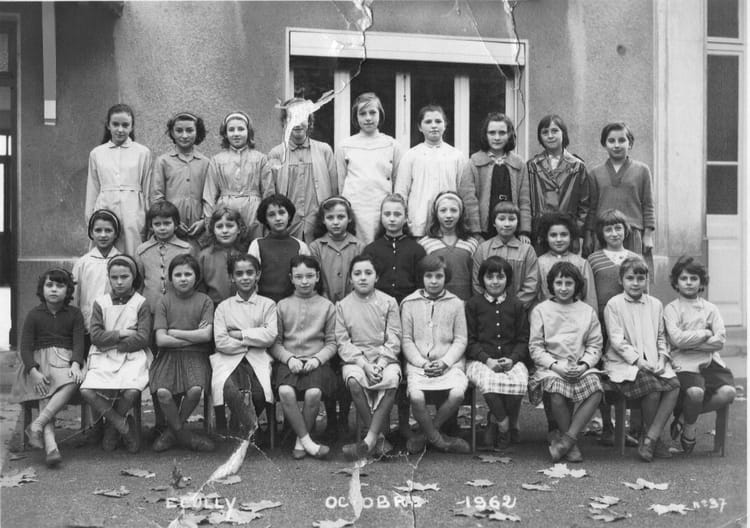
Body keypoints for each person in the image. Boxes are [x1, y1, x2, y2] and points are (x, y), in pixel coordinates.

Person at [603, 256, 680, 462]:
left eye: (640, 278)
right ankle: (653, 439)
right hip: (625, 363)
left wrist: (663, 358)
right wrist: (638, 361)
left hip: (653, 361)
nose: (635, 283)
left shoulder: (655, 304)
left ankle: (651, 438)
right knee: (652, 389)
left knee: (674, 385)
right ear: (621, 280)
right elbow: (617, 341)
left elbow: (661, 337)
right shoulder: (614, 304)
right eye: (630, 278)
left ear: (647, 280)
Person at [528, 262, 603, 463]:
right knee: (557, 393)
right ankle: (572, 444)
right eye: (558, 283)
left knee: (596, 389)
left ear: (576, 285)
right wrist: (556, 366)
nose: (563, 288)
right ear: (551, 285)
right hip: (552, 366)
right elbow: (536, 347)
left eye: (568, 283)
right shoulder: (541, 310)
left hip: (579, 365)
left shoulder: (587, 311)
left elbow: (595, 345)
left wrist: (584, 365)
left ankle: (567, 440)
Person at [12, 268, 85, 466]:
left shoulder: (74, 314)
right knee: (45, 389)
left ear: (68, 290)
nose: (54, 289)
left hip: (65, 362)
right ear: (42, 289)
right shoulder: (34, 315)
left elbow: (79, 343)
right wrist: (33, 371)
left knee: (74, 380)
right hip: (39, 364)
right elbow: (25, 347)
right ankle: (51, 447)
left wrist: (76, 364)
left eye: (60, 286)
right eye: (49, 285)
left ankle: (37, 424)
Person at [80, 255, 151, 454]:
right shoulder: (100, 303)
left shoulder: (141, 303)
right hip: (103, 356)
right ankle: (122, 424)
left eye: (124, 277)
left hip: (131, 355)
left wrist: (114, 344)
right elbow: (95, 336)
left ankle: (111, 429)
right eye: (114, 277)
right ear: (109, 278)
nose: (119, 282)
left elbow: (142, 338)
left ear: (133, 277)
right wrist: (122, 333)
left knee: (131, 391)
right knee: (87, 390)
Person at [664, 257, 735, 455]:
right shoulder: (671, 309)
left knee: (729, 392)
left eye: (693, 278)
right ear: (676, 282)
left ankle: (684, 419)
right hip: (685, 364)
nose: (688, 282)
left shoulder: (710, 309)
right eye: (684, 278)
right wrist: (705, 333)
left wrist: (689, 344)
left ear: (701, 282)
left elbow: (720, 341)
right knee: (695, 393)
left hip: (711, 363)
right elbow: (677, 340)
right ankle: (690, 428)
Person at [401, 255, 471, 454]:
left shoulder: (456, 303)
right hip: (419, 364)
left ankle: (425, 436)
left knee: (457, 393)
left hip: (449, 364)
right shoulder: (409, 303)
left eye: (439, 276)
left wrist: (445, 362)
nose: (433, 281)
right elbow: (406, 340)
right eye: (429, 276)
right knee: (416, 396)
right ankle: (440, 441)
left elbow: (461, 339)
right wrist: (421, 363)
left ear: (445, 277)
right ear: (421, 277)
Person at [270, 255, 337, 459]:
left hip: (317, 362)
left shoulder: (327, 306)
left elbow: (332, 343)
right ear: (291, 278)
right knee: (285, 391)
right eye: (299, 277)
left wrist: (317, 360)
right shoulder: (282, 305)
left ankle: (301, 441)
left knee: (313, 393)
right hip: (289, 360)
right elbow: (275, 343)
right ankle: (308, 441)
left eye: (309, 276)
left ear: (317, 277)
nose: (304, 281)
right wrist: (289, 359)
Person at [336, 254, 401, 459]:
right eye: (357, 273)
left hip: (385, 358)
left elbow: (394, 337)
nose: (363, 278)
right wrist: (364, 365)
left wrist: (380, 364)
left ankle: (369, 439)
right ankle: (378, 439)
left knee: (392, 380)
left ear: (376, 277)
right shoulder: (342, 305)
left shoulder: (389, 302)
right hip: (357, 359)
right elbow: (343, 342)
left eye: (368, 273)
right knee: (354, 381)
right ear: (350, 279)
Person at [150, 254, 215, 452]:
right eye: (178, 275)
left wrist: (175, 332)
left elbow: (206, 336)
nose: (183, 278)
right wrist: (193, 335)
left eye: (188, 274)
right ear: (171, 278)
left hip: (196, 355)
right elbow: (161, 340)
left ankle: (171, 433)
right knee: (163, 393)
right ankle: (183, 435)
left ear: (197, 277)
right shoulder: (164, 301)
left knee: (195, 389)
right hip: (167, 356)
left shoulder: (205, 301)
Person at [587, 209, 641, 445]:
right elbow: (590, 292)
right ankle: (606, 426)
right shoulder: (594, 259)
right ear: (601, 233)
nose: (614, 233)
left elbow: (644, 291)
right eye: (608, 229)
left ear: (625, 230)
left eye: (618, 228)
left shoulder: (635, 258)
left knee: (628, 369)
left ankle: (630, 426)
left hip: (628, 323)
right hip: (602, 322)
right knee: (603, 372)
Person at [465, 256, 529, 449]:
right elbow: (470, 341)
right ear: (482, 279)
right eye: (490, 277)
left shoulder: (516, 305)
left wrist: (513, 359)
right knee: (489, 383)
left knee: (519, 382)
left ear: (507, 279)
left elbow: (523, 340)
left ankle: (493, 420)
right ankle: (503, 423)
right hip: (481, 360)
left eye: (500, 277)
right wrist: (487, 360)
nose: (495, 281)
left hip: (510, 359)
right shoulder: (473, 305)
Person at [211, 254, 277, 439]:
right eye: (239, 274)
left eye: (250, 273)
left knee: (260, 393)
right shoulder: (224, 307)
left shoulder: (267, 305)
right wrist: (253, 340)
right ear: (232, 277)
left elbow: (270, 335)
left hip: (258, 358)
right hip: (229, 358)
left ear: (258, 275)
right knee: (227, 388)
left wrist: (239, 334)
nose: (245, 277)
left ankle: (243, 426)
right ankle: (251, 428)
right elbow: (221, 342)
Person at [394, 104, 479, 237]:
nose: (434, 126)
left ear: (445, 125)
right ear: (420, 127)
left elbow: (464, 193)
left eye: (438, 121)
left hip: (448, 225)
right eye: (428, 122)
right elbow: (401, 192)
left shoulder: (456, 156)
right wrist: (403, 220)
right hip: (418, 223)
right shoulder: (411, 156)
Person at [336, 92, 404, 244]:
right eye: (362, 113)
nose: (368, 118)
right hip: (355, 209)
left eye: (372, 112)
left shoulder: (392, 145)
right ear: (356, 117)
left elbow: (397, 181)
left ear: (380, 114)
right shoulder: (345, 145)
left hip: (381, 209)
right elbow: (341, 182)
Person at [85, 103, 152, 256]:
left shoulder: (142, 153)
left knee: (134, 253)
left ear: (132, 126)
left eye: (125, 125)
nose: (120, 130)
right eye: (115, 124)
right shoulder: (97, 153)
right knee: (106, 254)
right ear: (108, 125)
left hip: (133, 210)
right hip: (105, 206)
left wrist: (148, 218)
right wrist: (91, 219)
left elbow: (147, 188)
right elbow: (93, 188)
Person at [268, 97, 337, 243]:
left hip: (318, 222)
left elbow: (334, 189)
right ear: (284, 123)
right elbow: (271, 193)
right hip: (289, 224)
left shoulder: (324, 150)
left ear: (309, 122)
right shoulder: (276, 154)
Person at [526, 114, 594, 255]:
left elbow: (584, 205)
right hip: (540, 232)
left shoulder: (577, 166)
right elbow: (526, 200)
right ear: (540, 137)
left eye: (555, 131)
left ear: (563, 133)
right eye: (545, 132)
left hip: (567, 232)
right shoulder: (532, 166)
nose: (550, 136)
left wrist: (577, 233)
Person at [203, 111, 274, 239]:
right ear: (225, 134)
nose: (236, 134)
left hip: (254, 211)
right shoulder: (217, 160)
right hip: (226, 210)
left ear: (248, 131)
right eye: (231, 130)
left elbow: (268, 192)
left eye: (241, 129)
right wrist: (208, 220)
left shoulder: (261, 159)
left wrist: (268, 218)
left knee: (254, 245)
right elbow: (209, 193)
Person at [589, 122, 655, 254]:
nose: (616, 145)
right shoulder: (595, 173)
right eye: (611, 141)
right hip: (604, 233)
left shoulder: (642, 170)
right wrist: (588, 236)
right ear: (604, 144)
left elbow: (648, 205)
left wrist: (648, 235)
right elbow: (591, 208)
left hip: (633, 233)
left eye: (622, 140)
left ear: (630, 144)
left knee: (633, 266)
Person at [464, 112, 531, 241]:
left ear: (509, 134)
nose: (497, 137)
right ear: (485, 135)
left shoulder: (519, 164)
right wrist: (475, 233)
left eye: (502, 133)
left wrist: (524, 231)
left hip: (511, 228)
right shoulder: (474, 163)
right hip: (484, 231)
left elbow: (524, 201)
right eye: (492, 133)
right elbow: (469, 201)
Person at [151, 111, 210, 248]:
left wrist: (204, 221)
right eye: (179, 130)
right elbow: (157, 196)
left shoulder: (205, 163)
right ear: (172, 132)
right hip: (170, 227)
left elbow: (209, 197)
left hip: (197, 228)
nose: (184, 135)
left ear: (197, 132)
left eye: (189, 130)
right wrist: (172, 221)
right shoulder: (163, 161)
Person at [472, 201, 539, 309]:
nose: (507, 224)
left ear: (518, 223)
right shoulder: (483, 249)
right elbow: (477, 283)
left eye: (512, 219)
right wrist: (489, 307)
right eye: (501, 219)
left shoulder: (527, 250)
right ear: (494, 222)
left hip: (517, 311)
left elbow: (531, 284)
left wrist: (514, 307)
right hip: (488, 311)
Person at [135, 201, 197, 315]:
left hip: (179, 309)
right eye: (157, 224)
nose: (162, 228)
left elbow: (195, 281)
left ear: (176, 224)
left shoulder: (186, 249)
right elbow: (139, 283)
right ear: (151, 226)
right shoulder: (142, 251)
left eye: (167, 223)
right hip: (150, 308)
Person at [364, 194, 426, 305]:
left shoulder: (417, 250)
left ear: (406, 218)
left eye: (397, 214)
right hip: (378, 306)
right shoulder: (371, 250)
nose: (392, 219)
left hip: (409, 305)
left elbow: (422, 285)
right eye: (387, 214)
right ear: (381, 217)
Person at [72, 209, 122, 346]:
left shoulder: (122, 260)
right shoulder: (83, 263)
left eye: (108, 230)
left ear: (116, 233)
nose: (103, 235)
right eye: (98, 230)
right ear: (91, 233)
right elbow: (74, 296)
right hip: (88, 325)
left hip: (115, 326)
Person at [248, 194, 311, 302]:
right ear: (265, 219)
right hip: (264, 304)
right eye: (271, 215)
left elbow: (307, 277)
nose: (278, 218)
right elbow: (251, 277)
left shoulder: (300, 246)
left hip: (293, 303)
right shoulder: (257, 245)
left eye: (282, 213)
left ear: (289, 215)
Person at [419, 191, 480, 300]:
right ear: (436, 213)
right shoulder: (425, 243)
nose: (448, 215)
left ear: (461, 213)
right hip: (436, 303)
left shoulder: (471, 243)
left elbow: (476, 278)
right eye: (443, 210)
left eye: (454, 210)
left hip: (465, 302)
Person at [309, 196, 365, 304]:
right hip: (323, 304)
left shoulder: (359, 247)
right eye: (330, 217)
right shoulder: (315, 247)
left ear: (349, 218)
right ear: (323, 220)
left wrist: (348, 303)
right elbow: (315, 278)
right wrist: (325, 302)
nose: (335, 222)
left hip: (352, 304)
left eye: (341, 217)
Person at [535, 212, 597, 310]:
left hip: (577, 316)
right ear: (546, 237)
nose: (559, 239)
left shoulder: (582, 263)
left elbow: (590, 298)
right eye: (553, 235)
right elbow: (535, 297)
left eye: (564, 235)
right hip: (548, 316)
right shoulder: (539, 263)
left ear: (571, 236)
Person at [198, 207, 250, 306]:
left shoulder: (246, 253)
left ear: (239, 229)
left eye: (230, 226)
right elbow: (200, 288)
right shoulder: (205, 256)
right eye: (219, 227)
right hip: (214, 307)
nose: (225, 231)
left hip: (243, 307)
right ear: (213, 230)